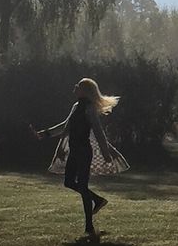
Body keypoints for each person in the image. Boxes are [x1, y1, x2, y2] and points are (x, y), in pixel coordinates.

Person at [32, 77, 129, 236]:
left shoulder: (89, 108)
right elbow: (65, 126)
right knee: (69, 182)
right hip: (74, 150)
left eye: (77, 86)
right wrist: (45, 134)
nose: (74, 88)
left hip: (84, 151)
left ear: (84, 90)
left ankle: (89, 226)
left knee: (82, 186)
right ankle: (97, 200)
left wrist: (105, 152)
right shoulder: (76, 106)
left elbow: (98, 131)